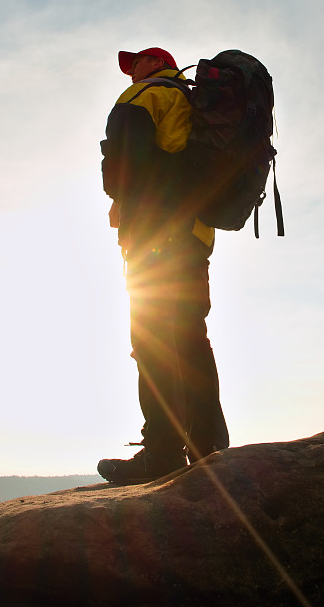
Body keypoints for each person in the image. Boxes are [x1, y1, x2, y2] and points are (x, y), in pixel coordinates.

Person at [97, 46, 229, 484]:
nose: (130, 69)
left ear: (155, 63)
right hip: (193, 236)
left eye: (135, 62)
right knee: (190, 337)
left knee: (152, 339)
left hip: (156, 233)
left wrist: (117, 195)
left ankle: (162, 453)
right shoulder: (191, 102)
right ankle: (207, 445)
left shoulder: (146, 95)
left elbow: (121, 163)